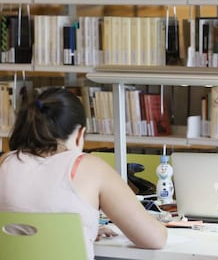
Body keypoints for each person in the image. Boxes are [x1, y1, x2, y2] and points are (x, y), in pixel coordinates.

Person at [0, 87, 167, 259]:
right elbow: (154, 239)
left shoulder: (4, 163)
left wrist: (75, 233)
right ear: (80, 134)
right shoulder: (90, 167)